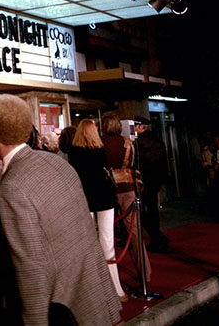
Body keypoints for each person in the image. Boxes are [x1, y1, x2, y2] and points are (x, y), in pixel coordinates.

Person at [0, 94, 121, 326]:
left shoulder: (12, 188)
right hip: (96, 298)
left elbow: (31, 269)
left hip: (65, 310)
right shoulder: (57, 163)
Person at [69, 119, 127, 300]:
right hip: (104, 197)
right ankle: (116, 289)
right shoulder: (100, 151)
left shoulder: (74, 152)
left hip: (84, 198)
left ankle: (91, 291)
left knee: (87, 243)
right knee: (107, 242)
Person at [101, 113, 151, 283]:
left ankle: (111, 277)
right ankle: (145, 271)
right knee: (135, 231)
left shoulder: (100, 143)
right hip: (128, 187)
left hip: (108, 190)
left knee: (108, 234)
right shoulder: (127, 143)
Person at [134, 116, 170, 251]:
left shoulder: (139, 143)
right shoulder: (157, 141)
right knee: (153, 209)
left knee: (142, 211)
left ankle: (157, 237)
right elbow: (162, 162)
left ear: (140, 127)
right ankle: (158, 238)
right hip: (155, 181)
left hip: (143, 181)